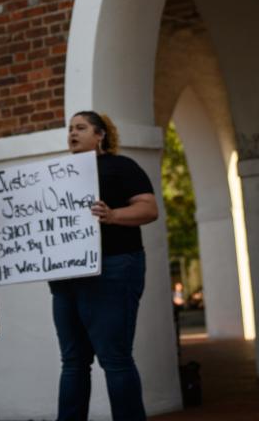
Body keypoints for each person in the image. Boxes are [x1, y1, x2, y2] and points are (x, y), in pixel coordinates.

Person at [50, 111, 158, 421]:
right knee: (72, 361)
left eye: (81, 128)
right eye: (70, 128)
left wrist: (112, 216)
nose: (73, 133)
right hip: (67, 277)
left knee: (115, 358)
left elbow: (148, 208)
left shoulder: (121, 167)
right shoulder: (58, 174)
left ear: (100, 135)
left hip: (114, 270)